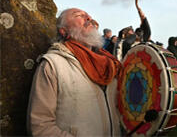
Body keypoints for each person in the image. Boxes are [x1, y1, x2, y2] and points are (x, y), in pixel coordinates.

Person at [27, 8, 122, 137]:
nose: (88, 17)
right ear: (64, 31)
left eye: (88, 15)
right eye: (79, 15)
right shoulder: (53, 64)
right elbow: (40, 127)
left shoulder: (110, 64)